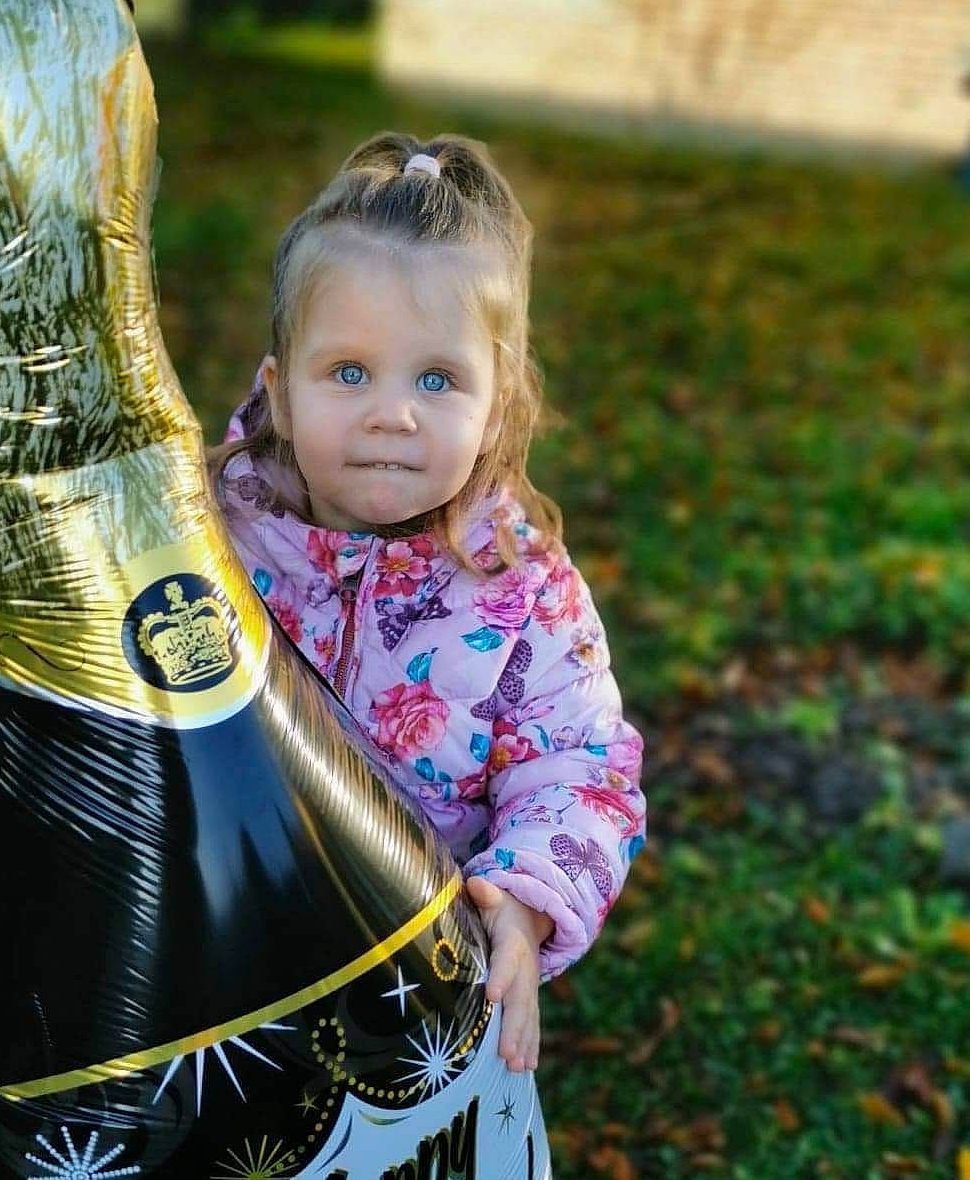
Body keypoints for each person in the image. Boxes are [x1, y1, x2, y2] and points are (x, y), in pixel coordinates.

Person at [204, 132, 647, 1077]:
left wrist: (523, 901)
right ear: (281, 392)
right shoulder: (206, 543)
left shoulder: (523, 592)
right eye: (349, 372)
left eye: (436, 380)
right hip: (214, 951)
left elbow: (580, 766)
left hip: (415, 978)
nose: (392, 413)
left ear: (497, 409)